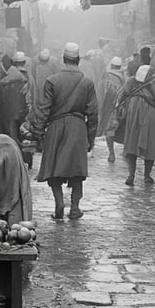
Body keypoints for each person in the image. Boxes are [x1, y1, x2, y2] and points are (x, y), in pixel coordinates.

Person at [31, 42, 98, 221]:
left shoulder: (52, 81)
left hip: (56, 127)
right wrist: (91, 138)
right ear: (78, 59)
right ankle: (75, 208)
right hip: (78, 128)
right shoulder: (87, 83)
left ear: (63, 59)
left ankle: (59, 203)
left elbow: (43, 109)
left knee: (54, 167)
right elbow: (92, 113)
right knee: (76, 170)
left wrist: (38, 133)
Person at [118, 46, 155, 186]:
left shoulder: (131, 82)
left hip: (132, 113)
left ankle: (131, 174)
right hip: (150, 113)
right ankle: (147, 176)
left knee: (131, 142)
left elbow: (121, 96)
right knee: (150, 144)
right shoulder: (154, 82)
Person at [0, 51, 33, 168]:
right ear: (24, 62)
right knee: (21, 139)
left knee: (7, 138)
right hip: (22, 113)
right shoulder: (28, 78)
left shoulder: (4, 78)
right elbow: (31, 97)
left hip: (5, 114)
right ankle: (24, 162)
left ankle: (9, 163)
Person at [98, 56, 125, 163]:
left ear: (112, 65)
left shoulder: (106, 75)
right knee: (117, 129)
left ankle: (111, 153)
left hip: (107, 107)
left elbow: (101, 90)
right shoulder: (123, 77)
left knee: (109, 131)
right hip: (118, 108)